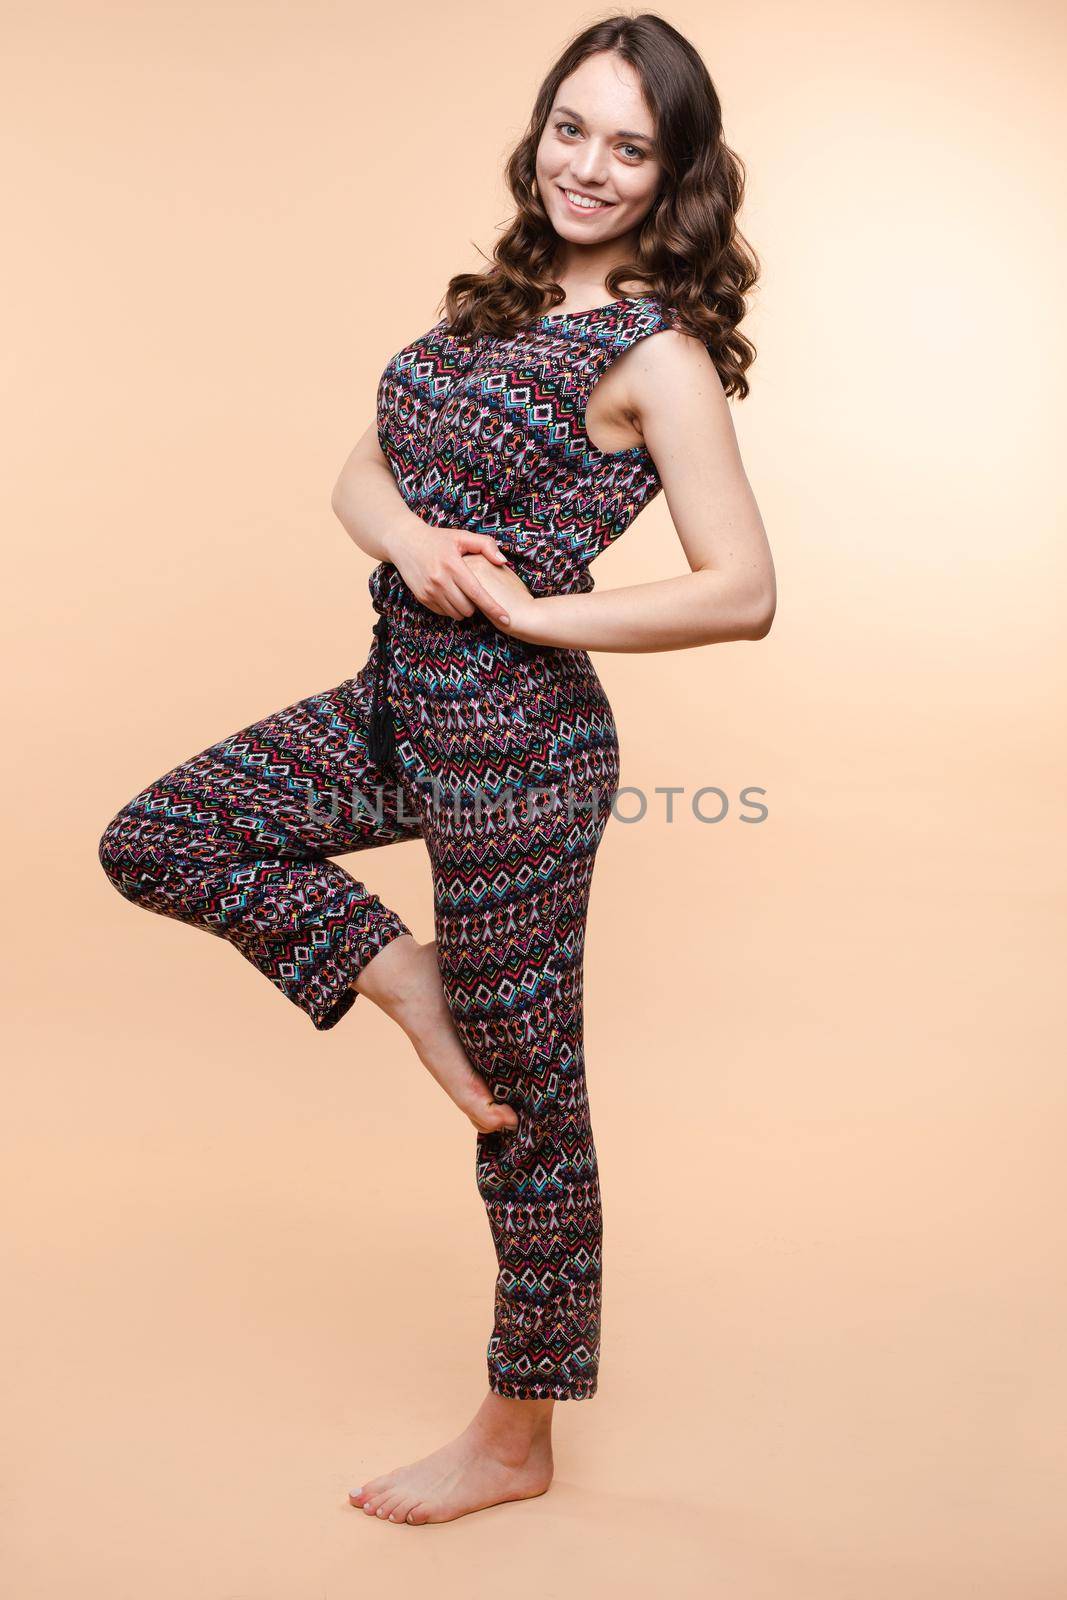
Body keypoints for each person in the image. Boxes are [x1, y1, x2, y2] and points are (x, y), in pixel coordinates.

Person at [97, 13, 775, 1525]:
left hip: (518, 750)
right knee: (164, 835)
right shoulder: (499, 300)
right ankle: (400, 978)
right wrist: (408, 541)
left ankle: (514, 1436)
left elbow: (742, 588)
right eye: (571, 128)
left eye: (630, 145)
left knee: (529, 1105)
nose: (588, 165)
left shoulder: (653, 353)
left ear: (677, 175)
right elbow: (362, 469)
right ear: (538, 130)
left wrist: (537, 608)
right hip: (395, 698)